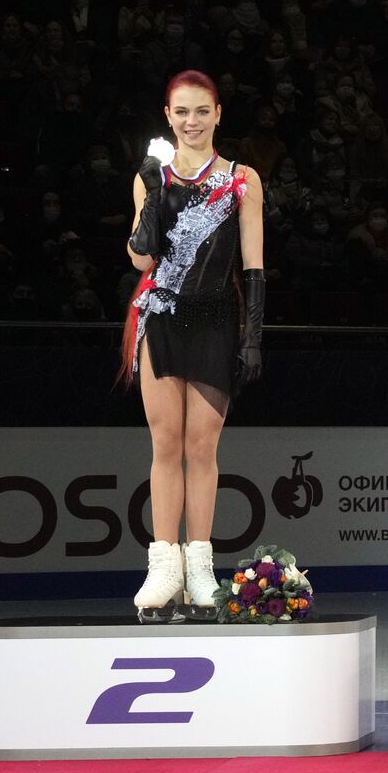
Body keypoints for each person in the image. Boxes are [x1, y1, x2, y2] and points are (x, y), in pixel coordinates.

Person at [120, 70, 265, 622]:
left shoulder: (242, 180)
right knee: (166, 443)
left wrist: (252, 338)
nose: (192, 121)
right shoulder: (150, 175)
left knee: (202, 448)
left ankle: (201, 567)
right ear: (168, 115)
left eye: (202, 111)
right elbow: (140, 257)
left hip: (214, 320)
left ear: (219, 113)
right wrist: (154, 194)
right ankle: (164, 567)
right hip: (160, 316)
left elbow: (254, 265)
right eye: (182, 112)